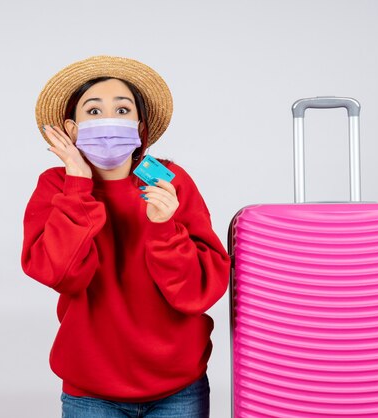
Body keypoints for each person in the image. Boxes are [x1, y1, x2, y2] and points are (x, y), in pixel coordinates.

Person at [21, 55, 231, 418]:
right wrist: (78, 184)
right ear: (71, 129)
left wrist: (165, 227)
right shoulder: (56, 185)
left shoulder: (169, 180)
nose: (108, 121)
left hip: (178, 388)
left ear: (139, 127)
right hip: (91, 390)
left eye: (122, 110)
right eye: (94, 110)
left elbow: (198, 293)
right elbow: (59, 273)